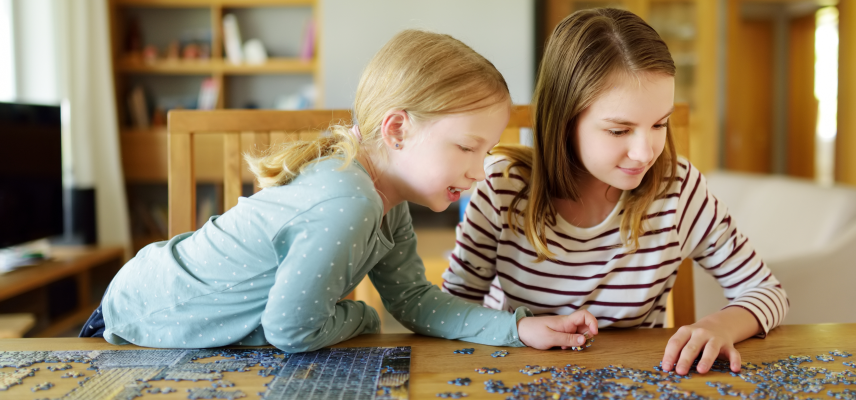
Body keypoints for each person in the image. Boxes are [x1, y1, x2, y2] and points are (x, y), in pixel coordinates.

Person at [80, 29, 598, 352]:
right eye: (468, 148)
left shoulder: (384, 198)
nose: (481, 171)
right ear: (397, 130)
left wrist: (517, 329)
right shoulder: (348, 202)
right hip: (145, 321)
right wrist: (362, 315)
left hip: (159, 309)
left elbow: (413, 300)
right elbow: (291, 331)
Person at [442, 9, 789, 374]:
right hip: (514, 378)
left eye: (660, 124)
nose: (644, 152)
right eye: (619, 131)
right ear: (564, 121)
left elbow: (767, 292)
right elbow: (449, 312)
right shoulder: (503, 189)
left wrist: (717, 326)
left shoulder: (679, 189)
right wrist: (515, 330)